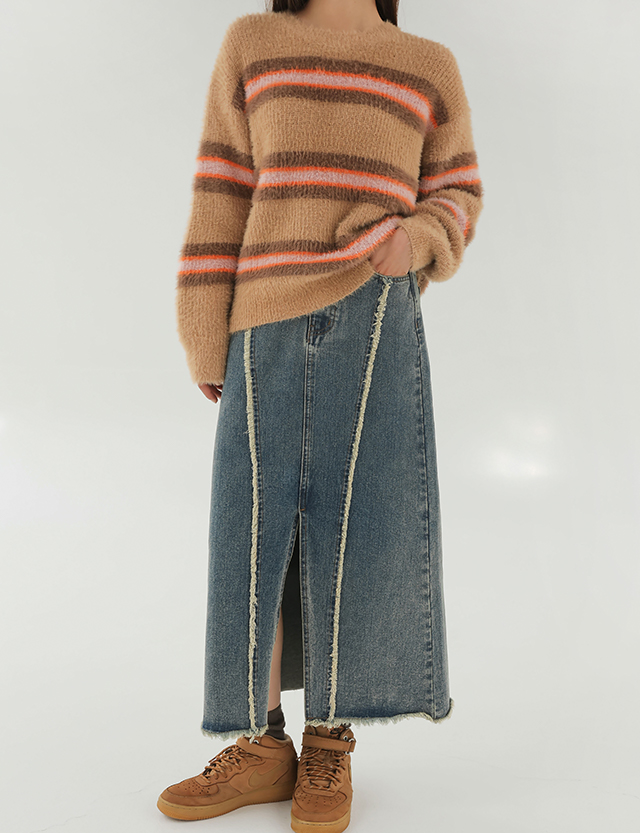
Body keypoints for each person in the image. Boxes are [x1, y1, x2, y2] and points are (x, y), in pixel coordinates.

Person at [157, 0, 483, 830]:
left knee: (362, 525)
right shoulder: (253, 42)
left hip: (376, 316)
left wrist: (417, 241)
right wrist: (204, 330)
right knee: (253, 530)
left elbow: (458, 191)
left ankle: (330, 744)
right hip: (262, 320)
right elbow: (222, 186)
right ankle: (261, 745)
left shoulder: (427, 64)